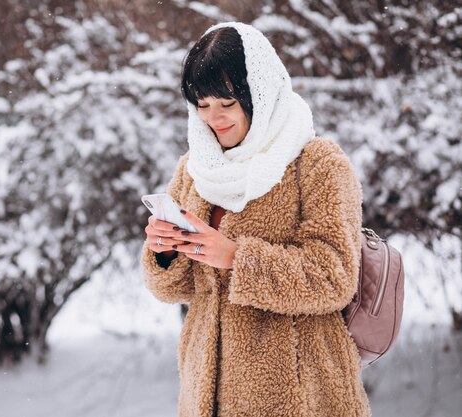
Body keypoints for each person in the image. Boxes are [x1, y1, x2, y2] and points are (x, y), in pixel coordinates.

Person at [141, 22, 371, 417]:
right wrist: (164, 252)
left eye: (227, 103)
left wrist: (238, 259)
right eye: (203, 104)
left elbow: (335, 276)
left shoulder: (317, 164)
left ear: (258, 95)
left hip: (300, 395)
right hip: (205, 394)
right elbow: (175, 289)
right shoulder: (194, 169)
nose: (214, 118)